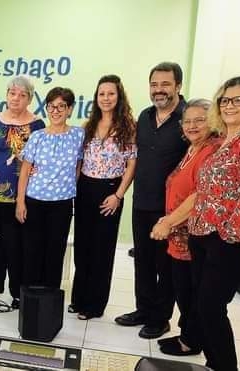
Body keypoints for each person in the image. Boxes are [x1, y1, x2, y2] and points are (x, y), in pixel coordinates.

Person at [187, 76, 240, 371]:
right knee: (202, 306)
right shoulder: (223, 142)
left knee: (211, 308)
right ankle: (213, 363)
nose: (229, 106)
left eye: (238, 100)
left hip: (228, 240)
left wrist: (227, 236)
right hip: (201, 233)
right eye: (225, 100)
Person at [115, 62, 187, 340]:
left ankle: (160, 318)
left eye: (165, 84)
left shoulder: (188, 117)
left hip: (170, 208)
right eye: (154, 84)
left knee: (165, 266)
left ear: (178, 86)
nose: (159, 90)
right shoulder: (144, 117)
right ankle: (143, 310)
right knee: (142, 260)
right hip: (142, 201)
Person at [148, 99, 219, 357]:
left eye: (200, 120)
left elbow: (199, 194)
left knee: (193, 292)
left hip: (194, 234)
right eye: (187, 121)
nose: (192, 125)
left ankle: (191, 341)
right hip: (179, 236)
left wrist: (167, 221)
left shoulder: (212, 149)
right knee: (184, 290)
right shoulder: (193, 148)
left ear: (212, 120)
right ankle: (188, 333)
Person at [70, 75, 137, 320]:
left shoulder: (128, 127)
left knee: (102, 250)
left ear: (119, 97)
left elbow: (132, 165)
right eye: (101, 94)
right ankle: (79, 299)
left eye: (110, 93)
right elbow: (79, 162)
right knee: (82, 247)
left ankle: (94, 305)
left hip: (110, 191)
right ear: (96, 97)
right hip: (85, 188)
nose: (106, 98)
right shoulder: (88, 126)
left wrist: (118, 195)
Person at [0, 76, 45, 309]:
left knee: (15, 244)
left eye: (22, 95)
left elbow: (37, 160)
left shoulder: (37, 125)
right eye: (12, 93)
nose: (15, 98)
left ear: (29, 99)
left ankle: (17, 291)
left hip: (18, 193)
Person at [15, 87, 84, 290]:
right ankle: (30, 299)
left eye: (61, 106)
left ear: (70, 109)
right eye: (51, 106)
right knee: (32, 251)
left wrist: (68, 184)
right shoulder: (37, 136)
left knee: (55, 251)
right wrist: (20, 202)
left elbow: (78, 166)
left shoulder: (78, 135)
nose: (56, 111)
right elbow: (25, 171)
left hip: (62, 205)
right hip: (34, 202)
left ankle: (50, 300)